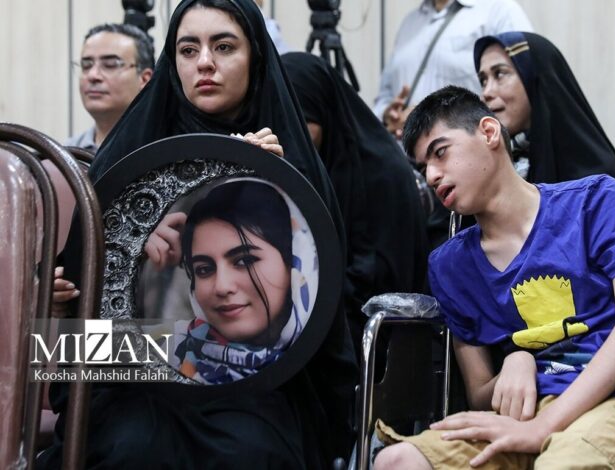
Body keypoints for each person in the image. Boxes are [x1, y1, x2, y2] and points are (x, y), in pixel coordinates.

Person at [41, 1, 356, 468]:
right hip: (136, 385)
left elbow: (319, 317)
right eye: (188, 50)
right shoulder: (131, 158)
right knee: (130, 449)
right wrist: (66, 295)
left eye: (223, 47)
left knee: (251, 451)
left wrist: (279, 186)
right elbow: (77, 314)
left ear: (256, 58)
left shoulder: (292, 163)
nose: (204, 62)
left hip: (263, 386)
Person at [373, 86, 615, 469]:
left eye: (440, 152)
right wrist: (516, 362)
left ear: (489, 132)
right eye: (422, 166)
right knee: (396, 460)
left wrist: (546, 424)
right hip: (521, 415)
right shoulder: (449, 266)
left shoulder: (597, 202)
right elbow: (480, 393)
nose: (431, 175)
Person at [281, 52, 428, 346]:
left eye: (302, 121)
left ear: (324, 111)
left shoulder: (380, 171)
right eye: (284, 122)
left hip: (379, 334)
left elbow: (379, 278)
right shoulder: (310, 164)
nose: (293, 135)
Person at [169, 180, 310, 384]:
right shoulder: (178, 346)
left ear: (292, 263)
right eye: (204, 269)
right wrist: (134, 254)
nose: (222, 286)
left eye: (244, 261)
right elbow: (114, 357)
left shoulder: (321, 357)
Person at [474, 31, 615, 184]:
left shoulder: (596, 179)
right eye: (483, 81)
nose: (486, 93)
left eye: (500, 74)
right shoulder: (483, 164)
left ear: (537, 81)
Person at [374, 0, 533, 139]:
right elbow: (384, 95)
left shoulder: (499, 11)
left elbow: (525, 86)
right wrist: (388, 115)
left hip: (468, 155)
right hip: (403, 156)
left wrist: (425, 117)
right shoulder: (409, 22)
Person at [65, 23, 154, 152]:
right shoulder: (64, 153)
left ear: (145, 79)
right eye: (86, 65)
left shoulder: (164, 148)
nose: (93, 75)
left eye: (110, 64)